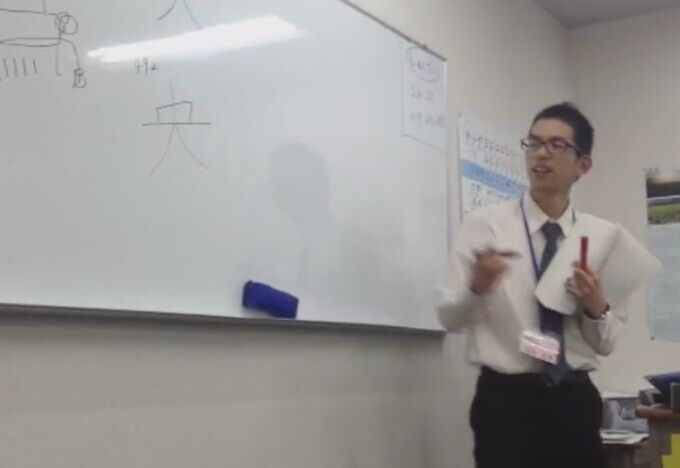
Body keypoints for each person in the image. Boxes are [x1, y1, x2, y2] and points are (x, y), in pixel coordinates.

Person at [437, 103, 622, 468]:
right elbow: (449, 318)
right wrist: (476, 289)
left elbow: (606, 343)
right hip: (507, 402)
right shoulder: (486, 227)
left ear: (583, 166)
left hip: (574, 401)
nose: (541, 153)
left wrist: (595, 307)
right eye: (533, 143)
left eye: (557, 145)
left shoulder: (599, 237)